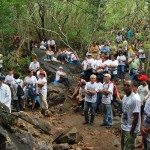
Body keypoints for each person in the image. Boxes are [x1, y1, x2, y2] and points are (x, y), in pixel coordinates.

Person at [121, 80, 141, 150]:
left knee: (129, 148)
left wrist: (132, 131)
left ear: (132, 87)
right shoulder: (124, 97)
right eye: (125, 85)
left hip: (131, 129)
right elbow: (124, 111)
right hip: (124, 126)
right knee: (123, 147)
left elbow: (136, 116)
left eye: (128, 85)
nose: (126, 87)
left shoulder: (135, 99)